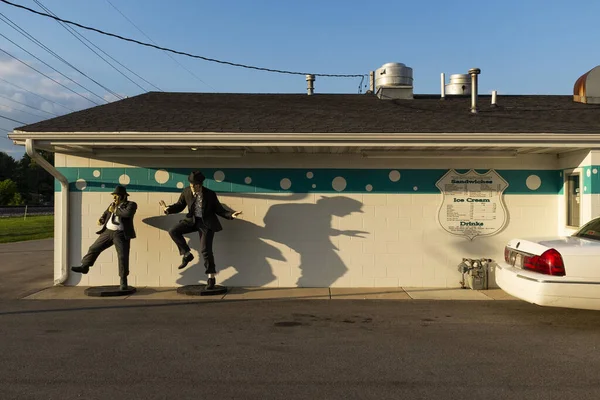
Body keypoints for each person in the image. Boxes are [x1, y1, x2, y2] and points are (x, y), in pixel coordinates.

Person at [160, 171, 242, 289]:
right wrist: (168, 209)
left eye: (195, 185)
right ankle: (187, 254)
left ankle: (211, 278)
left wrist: (231, 215)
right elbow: (180, 205)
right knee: (173, 230)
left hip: (206, 223)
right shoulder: (186, 191)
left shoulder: (210, 194)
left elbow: (219, 209)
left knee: (205, 250)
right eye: (191, 185)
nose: (192, 187)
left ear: (200, 184)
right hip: (192, 221)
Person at [71, 185, 137, 290]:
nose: (114, 198)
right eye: (114, 196)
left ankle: (123, 280)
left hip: (121, 234)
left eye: (116, 196)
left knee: (122, 256)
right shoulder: (112, 205)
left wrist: (115, 210)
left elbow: (127, 214)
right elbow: (106, 213)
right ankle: (85, 266)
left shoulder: (131, 204)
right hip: (107, 232)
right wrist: (102, 219)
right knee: (94, 248)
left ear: (123, 196)